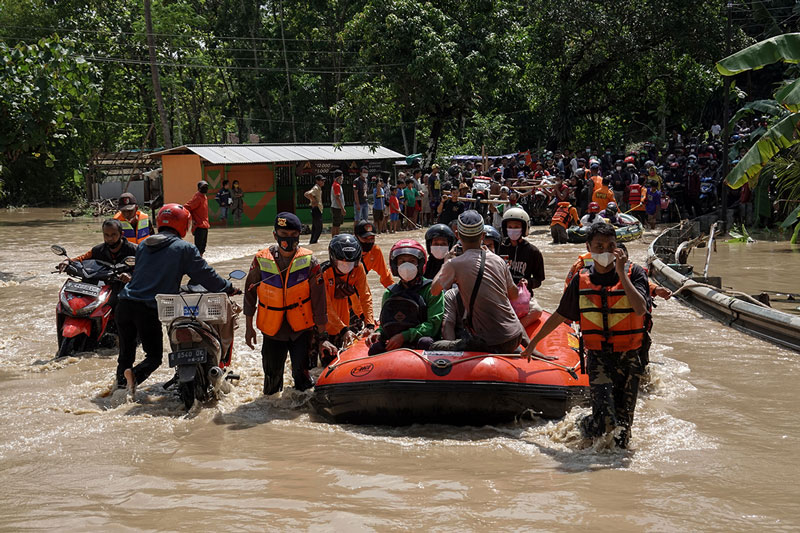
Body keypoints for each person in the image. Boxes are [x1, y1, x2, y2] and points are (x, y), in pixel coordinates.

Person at [523, 223, 650, 448]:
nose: (605, 251)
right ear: (588, 247)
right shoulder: (580, 281)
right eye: (599, 246)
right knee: (607, 422)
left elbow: (640, 309)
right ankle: (585, 424)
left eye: (611, 246)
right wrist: (532, 343)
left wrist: (621, 273)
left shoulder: (635, 273)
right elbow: (560, 316)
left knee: (623, 431)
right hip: (599, 358)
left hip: (630, 357)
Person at [115, 203, 237, 393]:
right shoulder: (184, 248)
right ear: (184, 224)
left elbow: (149, 276)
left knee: (125, 355)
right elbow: (206, 275)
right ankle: (135, 376)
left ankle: (121, 388)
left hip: (124, 304)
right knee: (154, 357)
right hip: (147, 309)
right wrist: (229, 287)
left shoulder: (143, 246)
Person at [244, 212, 336, 394]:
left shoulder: (310, 262)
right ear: (275, 235)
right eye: (284, 235)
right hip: (272, 331)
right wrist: (248, 327)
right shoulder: (261, 260)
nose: (289, 239)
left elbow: (319, 302)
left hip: (300, 331)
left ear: (299, 235)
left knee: (302, 379)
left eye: (293, 235)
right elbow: (250, 294)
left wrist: (323, 337)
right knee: (272, 381)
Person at [430, 211, 525, 353]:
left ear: (457, 235)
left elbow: (434, 290)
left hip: (491, 343)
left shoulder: (454, 264)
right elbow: (514, 295)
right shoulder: (498, 260)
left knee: (435, 347)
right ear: (482, 236)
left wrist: (447, 262)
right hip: (514, 338)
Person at [365, 240, 443, 354]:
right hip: (395, 340)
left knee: (425, 342)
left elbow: (433, 325)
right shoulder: (389, 293)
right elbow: (385, 323)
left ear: (420, 264)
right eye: (402, 261)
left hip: (420, 339)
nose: (407, 266)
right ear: (395, 266)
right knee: (375, 349)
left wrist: (404, 336)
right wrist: (380, 333)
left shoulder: (432, 289)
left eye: (412, 261)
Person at [58, 218, 137, 307]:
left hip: (129, 286)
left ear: (121, 234)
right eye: (106, 235)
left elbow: (147, 269)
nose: (109, 238)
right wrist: (67, 261)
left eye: (113, 234)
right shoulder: (98, 250)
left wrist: (131, 275)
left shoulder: (134, 250)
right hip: (103, 286)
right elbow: (81, 258)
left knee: (126, 308)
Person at [322, 234, 375, 353]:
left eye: (350, 263)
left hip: (342, 324)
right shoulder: (323, 273)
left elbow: (365, 296)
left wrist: (370, 324)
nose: (346, 266)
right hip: (321, 329)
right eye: (342, 262)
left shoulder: (358, 269)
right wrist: (344, 330)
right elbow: (325, 306)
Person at [497, 207, 545, 326]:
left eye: (517, 227)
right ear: (505, 228)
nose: (513, 230)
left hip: (523, 297)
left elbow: (539, 279)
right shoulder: (499, 248)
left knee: (537, 311)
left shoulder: (533, 252)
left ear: (524, 229)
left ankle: (516, 329)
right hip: (502, 294)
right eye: (510, 227)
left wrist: (529, 282)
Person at [354, 220, 394, 288]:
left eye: (372, 238)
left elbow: (385, 276)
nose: (369, 241)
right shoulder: (348, 250)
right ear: (356, 237)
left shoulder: (375, 251)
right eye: (365, 238)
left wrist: (394, 292)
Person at [184, 180, 211, 255]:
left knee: (202, 247)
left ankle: (200, 261)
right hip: (199, 226)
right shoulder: (198, 197)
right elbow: (187, 207)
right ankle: (196, 263)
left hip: (205, 225)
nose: (205, 188)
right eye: (203, 187)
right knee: (199, 248)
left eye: (206, 187)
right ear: (199, 188)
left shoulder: (204, 197)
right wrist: (192, 219)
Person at [304, 174, 325, 244]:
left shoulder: (318, 188)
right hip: (316, 209)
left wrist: (313, 199)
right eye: (321, 180)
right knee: (319, 228)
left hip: (317, 209)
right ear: (317, 181)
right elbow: (306, 194)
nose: (323, 182)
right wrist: (313, 200)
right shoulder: (316, 188)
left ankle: (312, 242)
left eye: (323, 180)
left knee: (315, 227)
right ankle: (313, 242)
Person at [330, 170, 346, 237]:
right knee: (336, 225)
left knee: (337, 224)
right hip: (337, 208)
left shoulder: (337, 185)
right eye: (341, 177)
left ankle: (336, 237)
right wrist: (342, 209)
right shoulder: (336, 185)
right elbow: (337, 198)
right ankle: (335, 238)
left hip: (337, 207)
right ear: (338, 177)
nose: (342, 178)